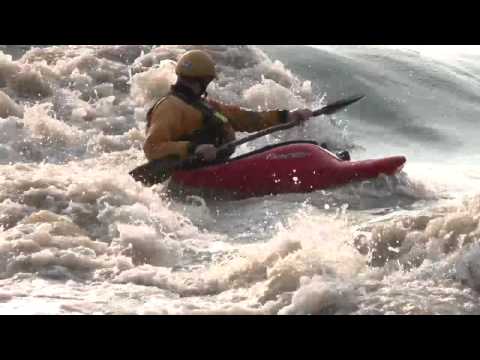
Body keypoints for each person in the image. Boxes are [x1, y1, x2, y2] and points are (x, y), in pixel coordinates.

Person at [143, 50, 313, 165]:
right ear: (202, 80)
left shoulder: (205, 105)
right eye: (208, 81)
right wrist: (193, 149)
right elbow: (152, 147)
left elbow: (247, 119)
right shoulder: (168, 107)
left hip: (216, 166)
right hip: (191, 173)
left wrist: (286, 116)